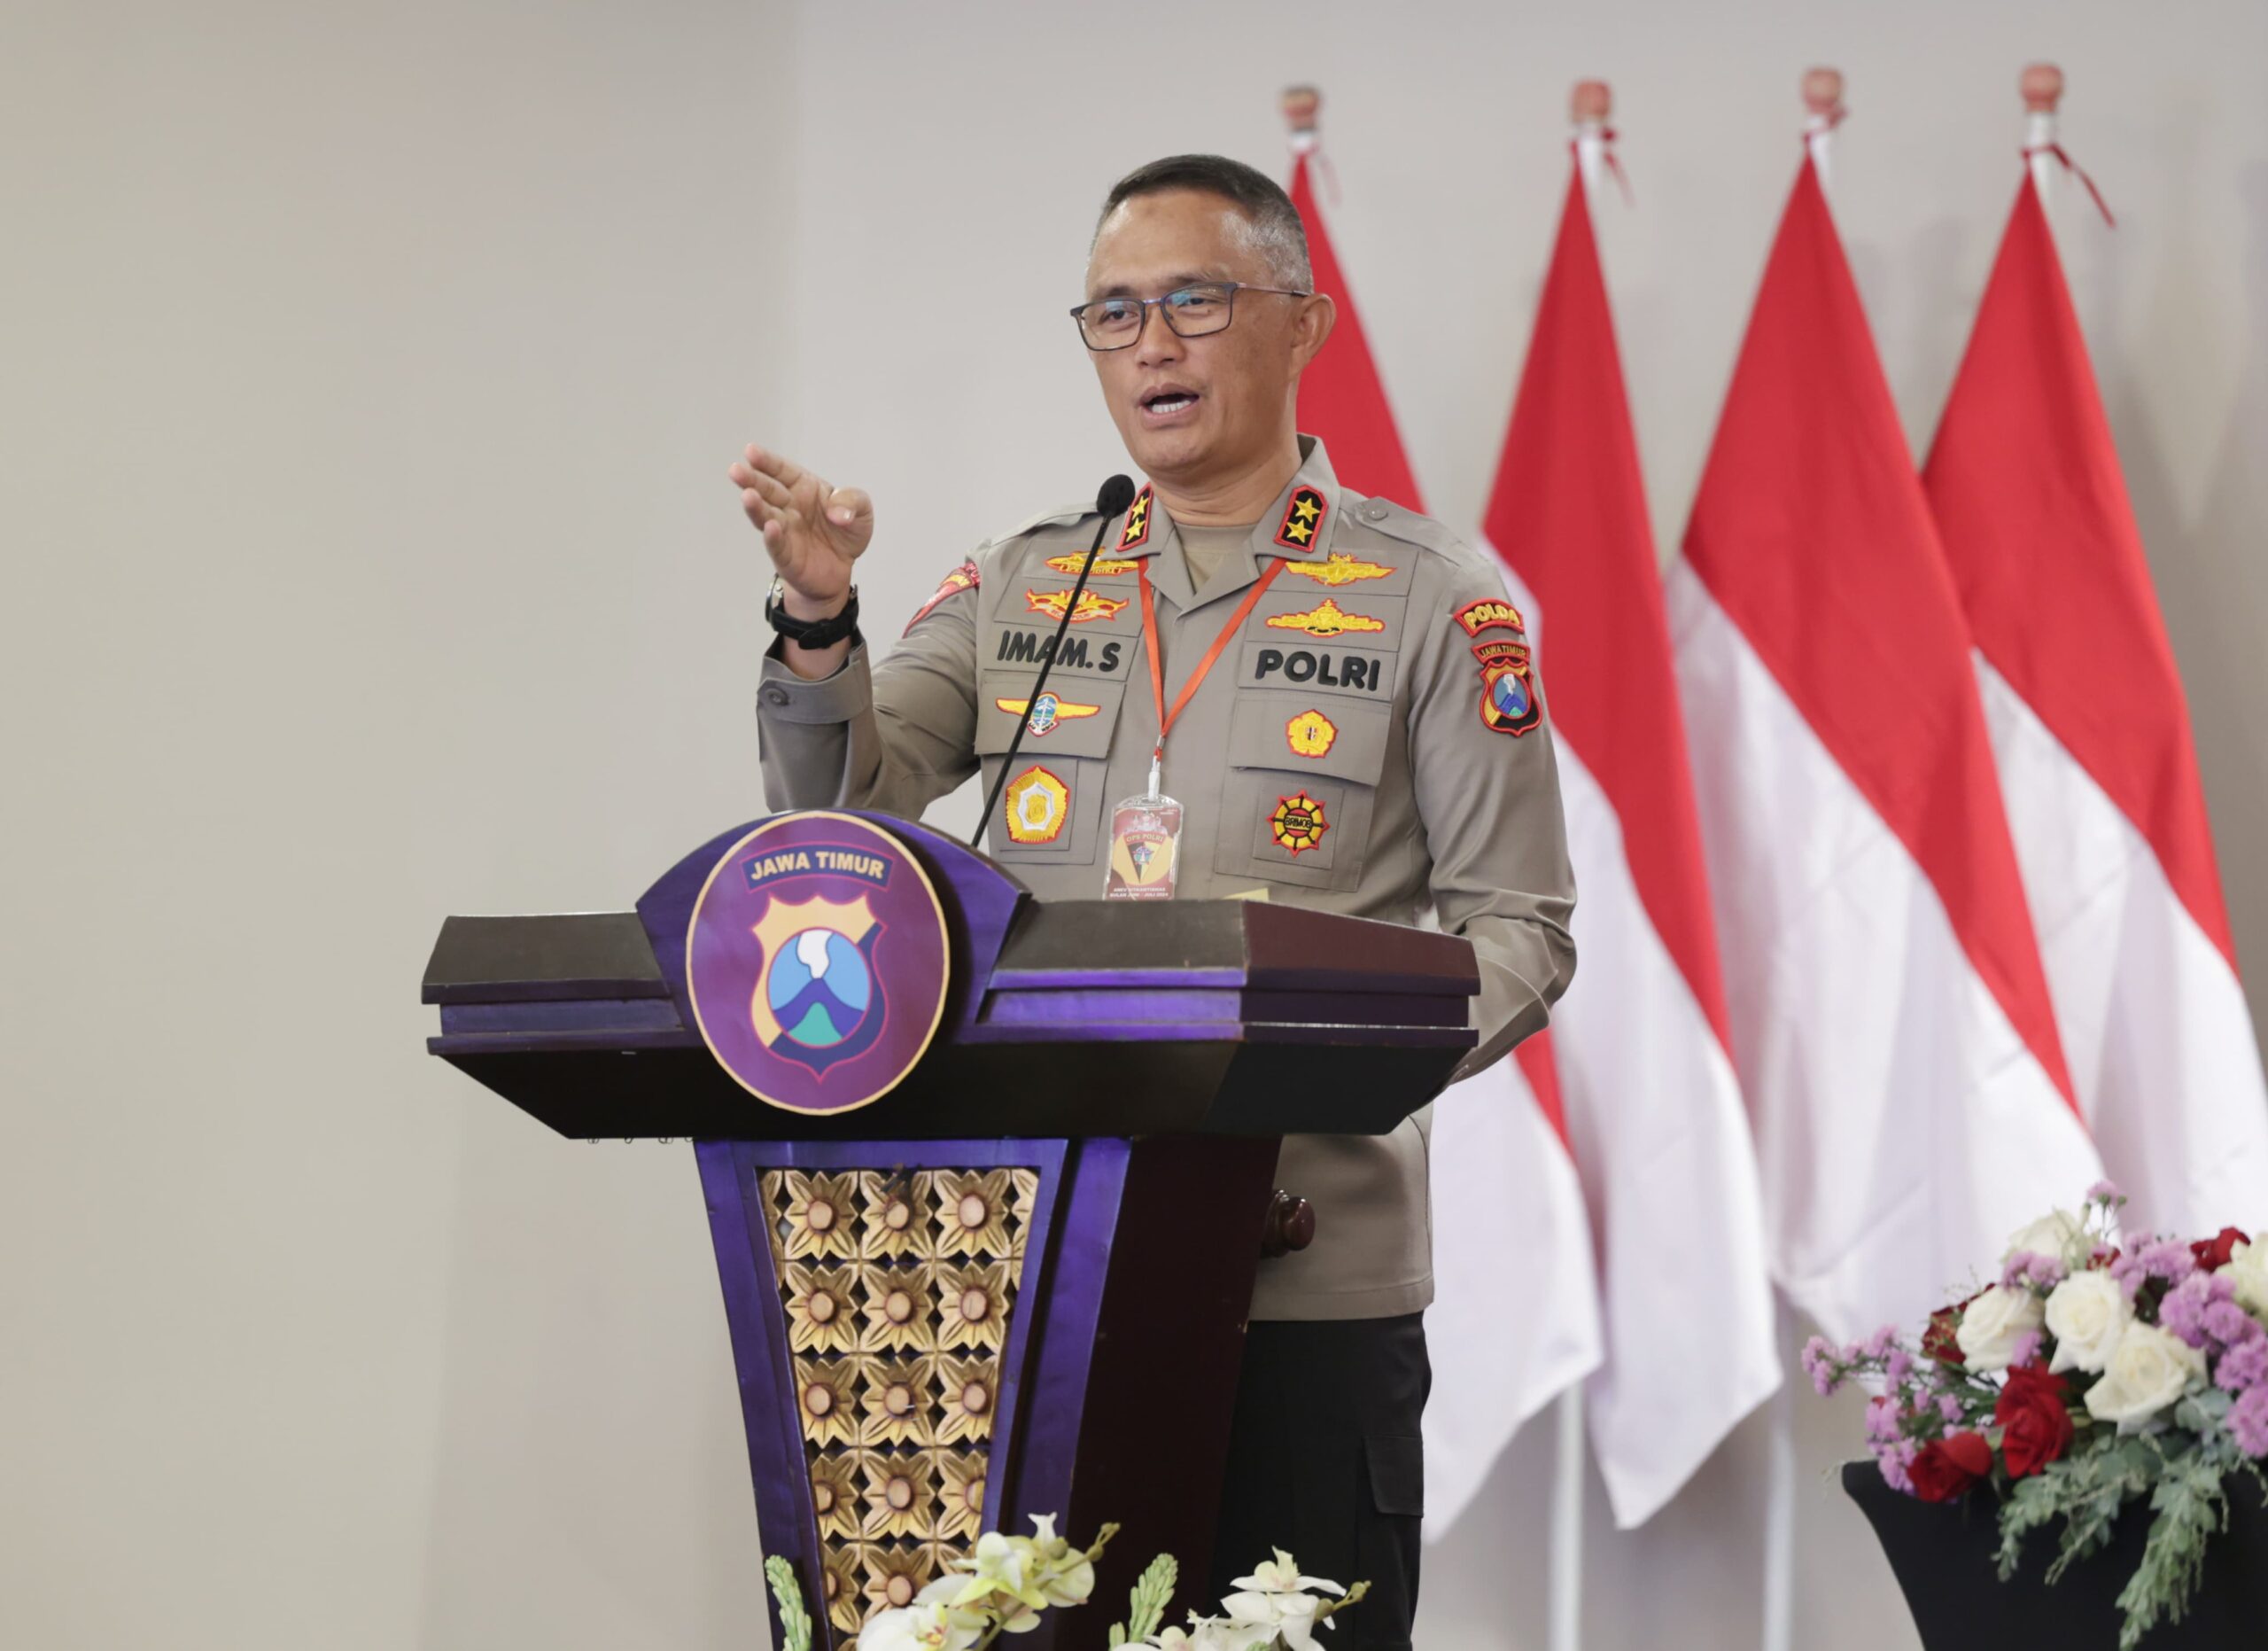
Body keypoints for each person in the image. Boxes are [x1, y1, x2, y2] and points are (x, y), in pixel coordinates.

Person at [731, 152, 1574, 1649]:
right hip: (1028, 1272)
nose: (1152, 346)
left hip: (1300, 1280)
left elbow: (1520, 928)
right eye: (1114, 314)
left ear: (1303, 324)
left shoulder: (1434, 597)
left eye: (1194, 300)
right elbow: (843, 819)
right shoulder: (1024, 584)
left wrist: (1322, 1070)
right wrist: (816, 613)